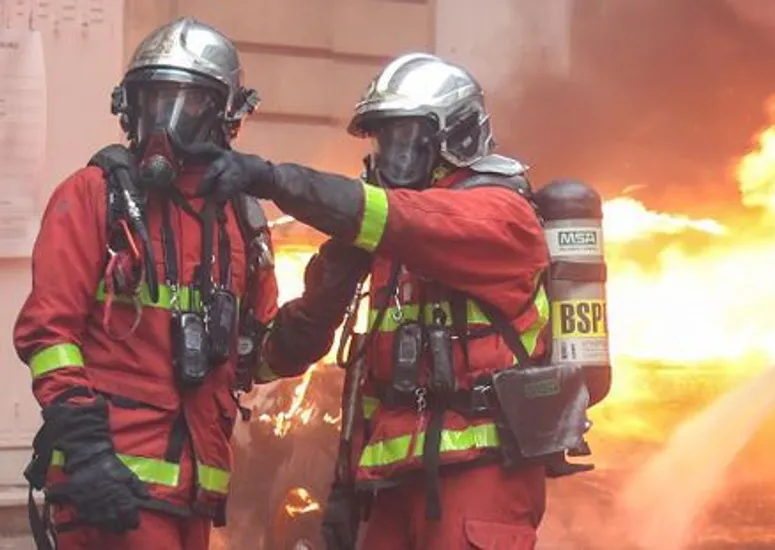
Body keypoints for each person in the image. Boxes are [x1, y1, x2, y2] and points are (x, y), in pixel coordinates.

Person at [197, 53, 557, 550]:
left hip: (480, 478)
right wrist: (345, 496)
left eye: (406, 143)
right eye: (385, 143)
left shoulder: (498, 215)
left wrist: (272, 179)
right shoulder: (394, 243)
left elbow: (400, 217)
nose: (391, 160)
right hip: (393, 481)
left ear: (455, 139)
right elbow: (370, 379)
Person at [13, 17, 325, 550]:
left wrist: (312, 323)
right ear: (129, 106)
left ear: (228, 115)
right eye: (154, 100)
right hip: (110, 488)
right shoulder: (94, 197)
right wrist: (88, 452)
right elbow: (48, 335)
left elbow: (251, 358)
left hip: (191, 493)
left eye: (189, 104)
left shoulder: (242, 222)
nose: (166, 123)